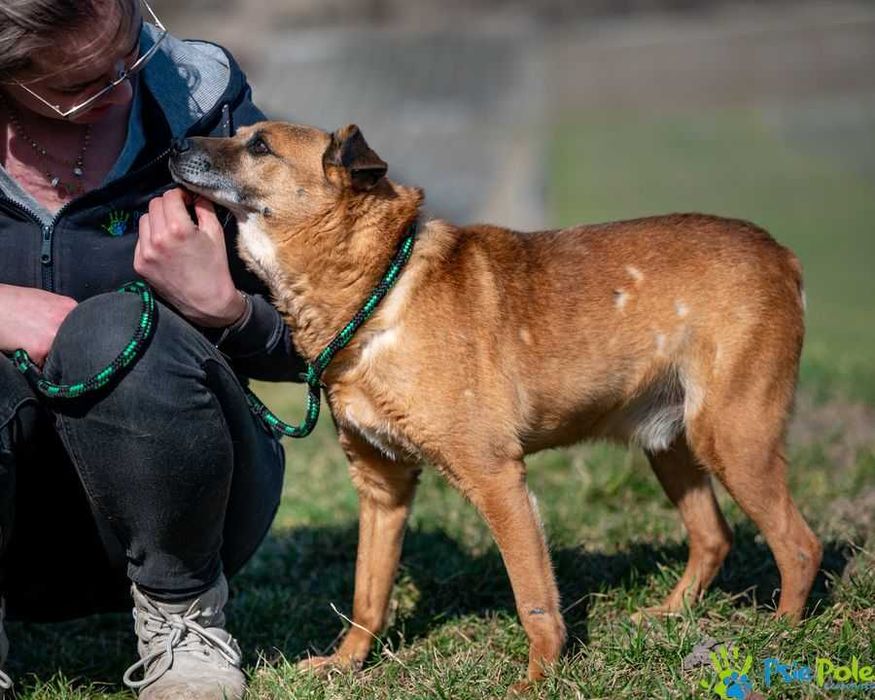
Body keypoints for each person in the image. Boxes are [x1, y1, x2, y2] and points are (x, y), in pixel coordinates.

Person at [0, 0, 305, 697]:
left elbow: (338, 338)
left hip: (190, 504)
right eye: (84, 85)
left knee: (114, 329)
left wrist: (226, 310)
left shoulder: (203, 106)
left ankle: (183, 620)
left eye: (134, 46)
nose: (129, 83)